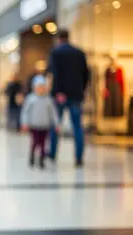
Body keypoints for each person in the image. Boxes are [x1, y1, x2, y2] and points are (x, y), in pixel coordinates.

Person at [46, 29, 90, 167]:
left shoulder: (56, 53)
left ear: (59, 39)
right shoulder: (79, 53)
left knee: (55, 125)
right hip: (76, 95)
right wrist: (80, 90)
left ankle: (52, 154)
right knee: (77, 127)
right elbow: (86, 75)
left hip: (60, 95)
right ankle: (78, 158)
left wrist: (58, 91)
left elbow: (54, 73)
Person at [21, 75, 60, 169]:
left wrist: (57, 124)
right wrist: (24, 123)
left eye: (42, 87)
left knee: (43, 144)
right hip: (34, 126)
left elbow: (53, 113)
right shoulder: (31, 99)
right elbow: (25, 112)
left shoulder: (48, 100)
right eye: (38, 87)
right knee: (35, 142)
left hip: (45, 126)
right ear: (34, 88)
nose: (41, 89)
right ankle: (32, 156)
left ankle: (42, 159)